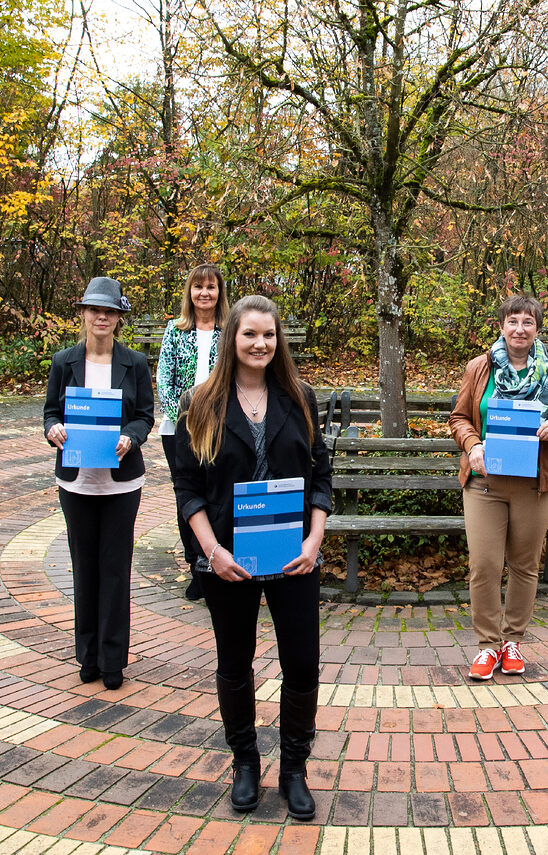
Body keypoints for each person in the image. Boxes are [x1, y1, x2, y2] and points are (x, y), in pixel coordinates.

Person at [171, 294, 332, 821]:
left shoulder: (301, 398)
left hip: (293, 560)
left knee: (302, 664)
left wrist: (314, 542)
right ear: (231, 339)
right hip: (229, 559)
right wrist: (211, 551)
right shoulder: (201, 404)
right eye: (249, 335)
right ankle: (245, 762)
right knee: (235, 665)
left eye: (268, 335)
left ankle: (294, 769)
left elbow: (321, 479)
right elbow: (187, 486)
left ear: (278, 340)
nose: (260, 344)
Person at [448, 294, 548, 681]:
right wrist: (473, 445)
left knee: (525, 566)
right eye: (513, 321)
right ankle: (487, 646)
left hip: (535, 484)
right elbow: (458, 417)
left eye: (528, 322)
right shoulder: (480, 368)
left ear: (537, 328)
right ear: (501, 326)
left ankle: (513, 643)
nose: (520, 329)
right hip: (485, 482)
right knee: (485, 566)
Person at [43, 277, 154, 691]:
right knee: (83, 569)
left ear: (118, 317)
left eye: (109, 311)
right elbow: (50, 412)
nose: (101, 317)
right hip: (76, 482)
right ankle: (86, 655)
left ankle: (113, 659)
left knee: (114, 570)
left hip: (122, 484)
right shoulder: (63, 361)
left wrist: (132, 435)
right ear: (84, 314)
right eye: (94, 310)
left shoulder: (135, 363)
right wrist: (53, 429)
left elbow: (145, 414)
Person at [156, 263, 229, 601]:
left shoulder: (229, 330)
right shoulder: (175, 330)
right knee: (187, 496)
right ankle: (195, 564)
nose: (204, 292)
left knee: (216, 493)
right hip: (178, 429)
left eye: (211, 287)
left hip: (220, 425)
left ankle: (215, 558)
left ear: (219, 292)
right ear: (189, 292)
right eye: (198, 286)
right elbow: (164, 380)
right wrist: (183, 418)